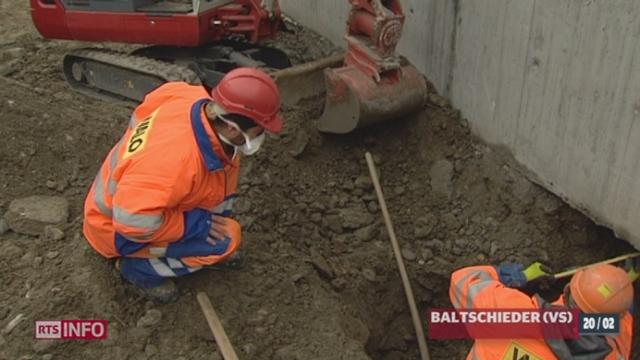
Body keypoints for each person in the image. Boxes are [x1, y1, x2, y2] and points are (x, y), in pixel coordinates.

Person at [83, 68, 283, 303]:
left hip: (148, 200)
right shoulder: (172, 162)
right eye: (259, 130)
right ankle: (140, 267)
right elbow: (132, 222)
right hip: (117, 231)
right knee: (227, 240)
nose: (263, 135)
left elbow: (142, 115)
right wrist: (194, 226)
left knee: (216, 199)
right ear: (232, 127)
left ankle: (187, 239)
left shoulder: (188, 96)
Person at [450, 260, 635, 359]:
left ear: (568, 288)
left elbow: (463, 281)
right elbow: (617, 332)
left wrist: (515, 276)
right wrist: (619, 291)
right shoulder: (613, 355)